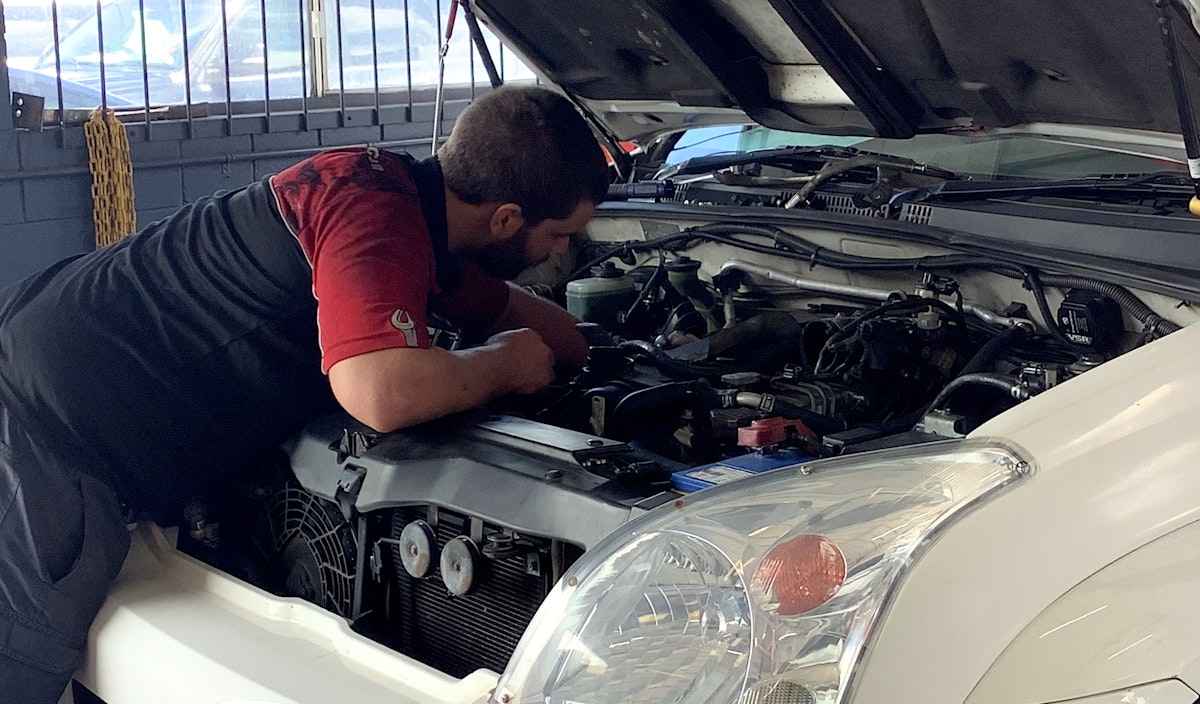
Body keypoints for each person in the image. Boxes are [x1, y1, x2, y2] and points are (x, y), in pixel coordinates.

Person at [0, 85, 610, 702]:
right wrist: (500, 365)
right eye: (560, 234)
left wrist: (589, 348)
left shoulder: (396, 200)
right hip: (42, 437)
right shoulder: (381, 224)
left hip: (49, 376)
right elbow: (378, 391)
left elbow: (517, 313)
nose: (563, 251)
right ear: (506, 218)